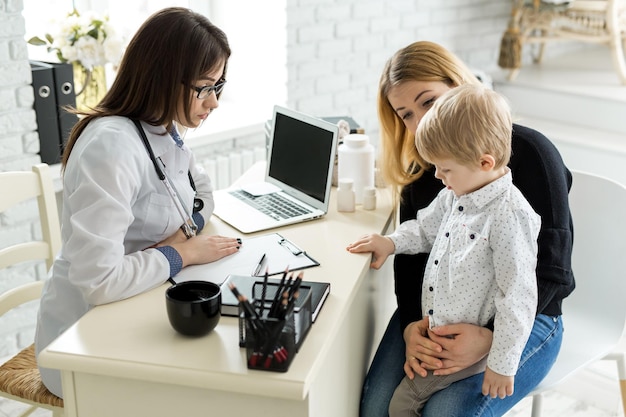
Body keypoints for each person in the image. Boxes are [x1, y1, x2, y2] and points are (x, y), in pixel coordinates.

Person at [356, 41, 575, 417]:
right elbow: (414, 258)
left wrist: (489, 340)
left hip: (529, 315)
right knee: (378, 408)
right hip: (439, 313)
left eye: (429, 101)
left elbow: (546, 275)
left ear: (458, 84)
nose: (421, 121)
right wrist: (412, 328)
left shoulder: (532, 154)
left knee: (444, 412)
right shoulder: (432, 170)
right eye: (406, 114)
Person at [35, 7, 241, 398]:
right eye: (205, 87)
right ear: (165, 77)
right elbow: (99, 281)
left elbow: (204, 197)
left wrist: (175, 241)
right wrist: (184, 253)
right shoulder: (112, 145)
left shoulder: (164, 128)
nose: (213, 102)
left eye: (219, 86)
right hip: (83, 339)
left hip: (137, 300)